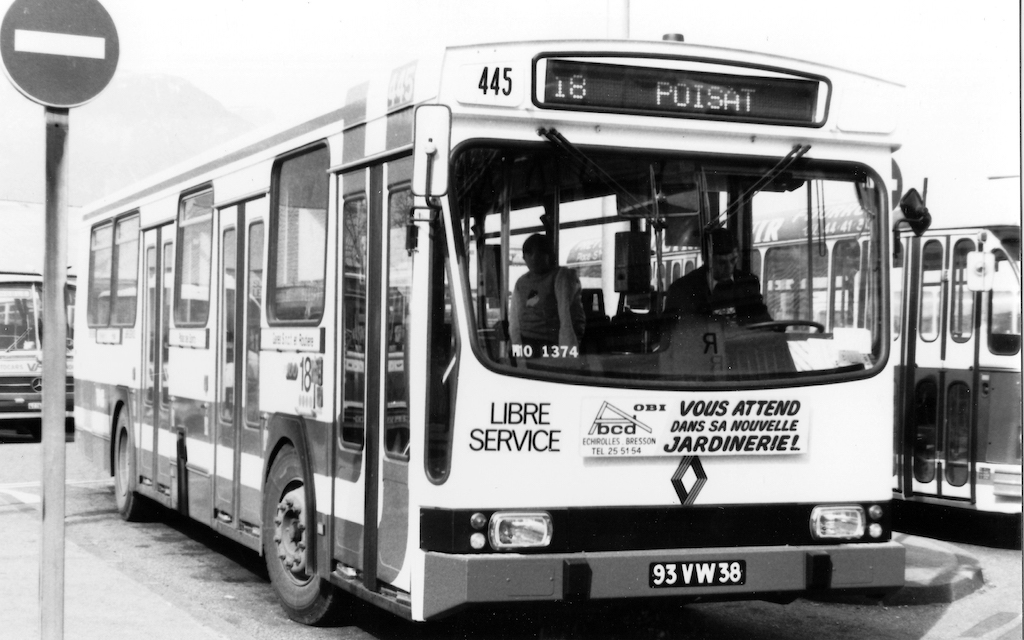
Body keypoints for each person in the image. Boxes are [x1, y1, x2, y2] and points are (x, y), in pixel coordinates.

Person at [663, 228, 771, 325]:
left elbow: (762, 318)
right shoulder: (683, 289)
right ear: (706, 260)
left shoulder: (748, 283)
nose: (729, 268)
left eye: (733, 260)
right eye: (722, 263)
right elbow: (670, 330)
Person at [508, 234, 585, 357]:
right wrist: (516, 346)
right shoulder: (521, 282)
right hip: (526, 343)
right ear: (524, 257)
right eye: (529, 253)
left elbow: (567, 319)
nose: (534, 258)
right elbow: (515, 320)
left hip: (553, 344)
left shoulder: (562, 277)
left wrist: (566, 354)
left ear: (548, 255)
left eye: (539, 253)